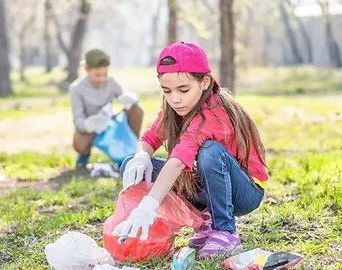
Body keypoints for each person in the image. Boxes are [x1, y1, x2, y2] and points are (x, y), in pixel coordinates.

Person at [112, 41, 269, 258]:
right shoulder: (174, 109)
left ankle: (225, 231)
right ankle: (204, 220)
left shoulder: (213, 113)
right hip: (210, 184)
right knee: (132, 165)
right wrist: (141, 156)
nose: (175, 99)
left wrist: (148, 206)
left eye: (183, 89)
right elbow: (149, 138)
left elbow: (177, 161)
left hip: (244, 192)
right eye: (166, 91)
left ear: (204, 82)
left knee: (210, 151)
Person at [69, 49, 144, 168]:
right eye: (97, 75)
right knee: (79, 143)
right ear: (87, 69)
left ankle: (132, 149)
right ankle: (84, 155)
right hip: (91, 127)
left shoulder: (111, 82)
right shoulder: (76, 88)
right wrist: (89, 125)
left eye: (105, 74)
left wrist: (129, 99)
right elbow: (78, 119)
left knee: (137, 110)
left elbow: (123, 96)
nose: (102, 79)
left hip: (109, 122)